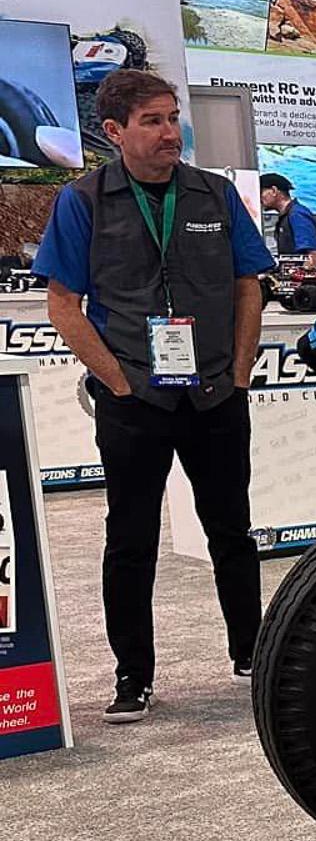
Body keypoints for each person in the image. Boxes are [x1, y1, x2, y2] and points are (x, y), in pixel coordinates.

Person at [33, 67, 275, 722]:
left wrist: (241, 372)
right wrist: (117, 382)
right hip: (135, 398)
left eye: (173, 118)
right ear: (114, 131)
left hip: (214, 393)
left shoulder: (214, 194)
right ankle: (133, 675)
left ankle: (252, 651)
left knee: (231, 529)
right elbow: (63, 304)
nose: (171, 133)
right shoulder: (83, 201)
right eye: (153, 121)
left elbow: (248, 284)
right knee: (130, 538)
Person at [259, 172, 316, 272]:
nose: (259, 197)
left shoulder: (297, 214)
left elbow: (315, 255)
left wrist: (301, 276)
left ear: (274, 191)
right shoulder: (287, 216)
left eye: (261, 192)